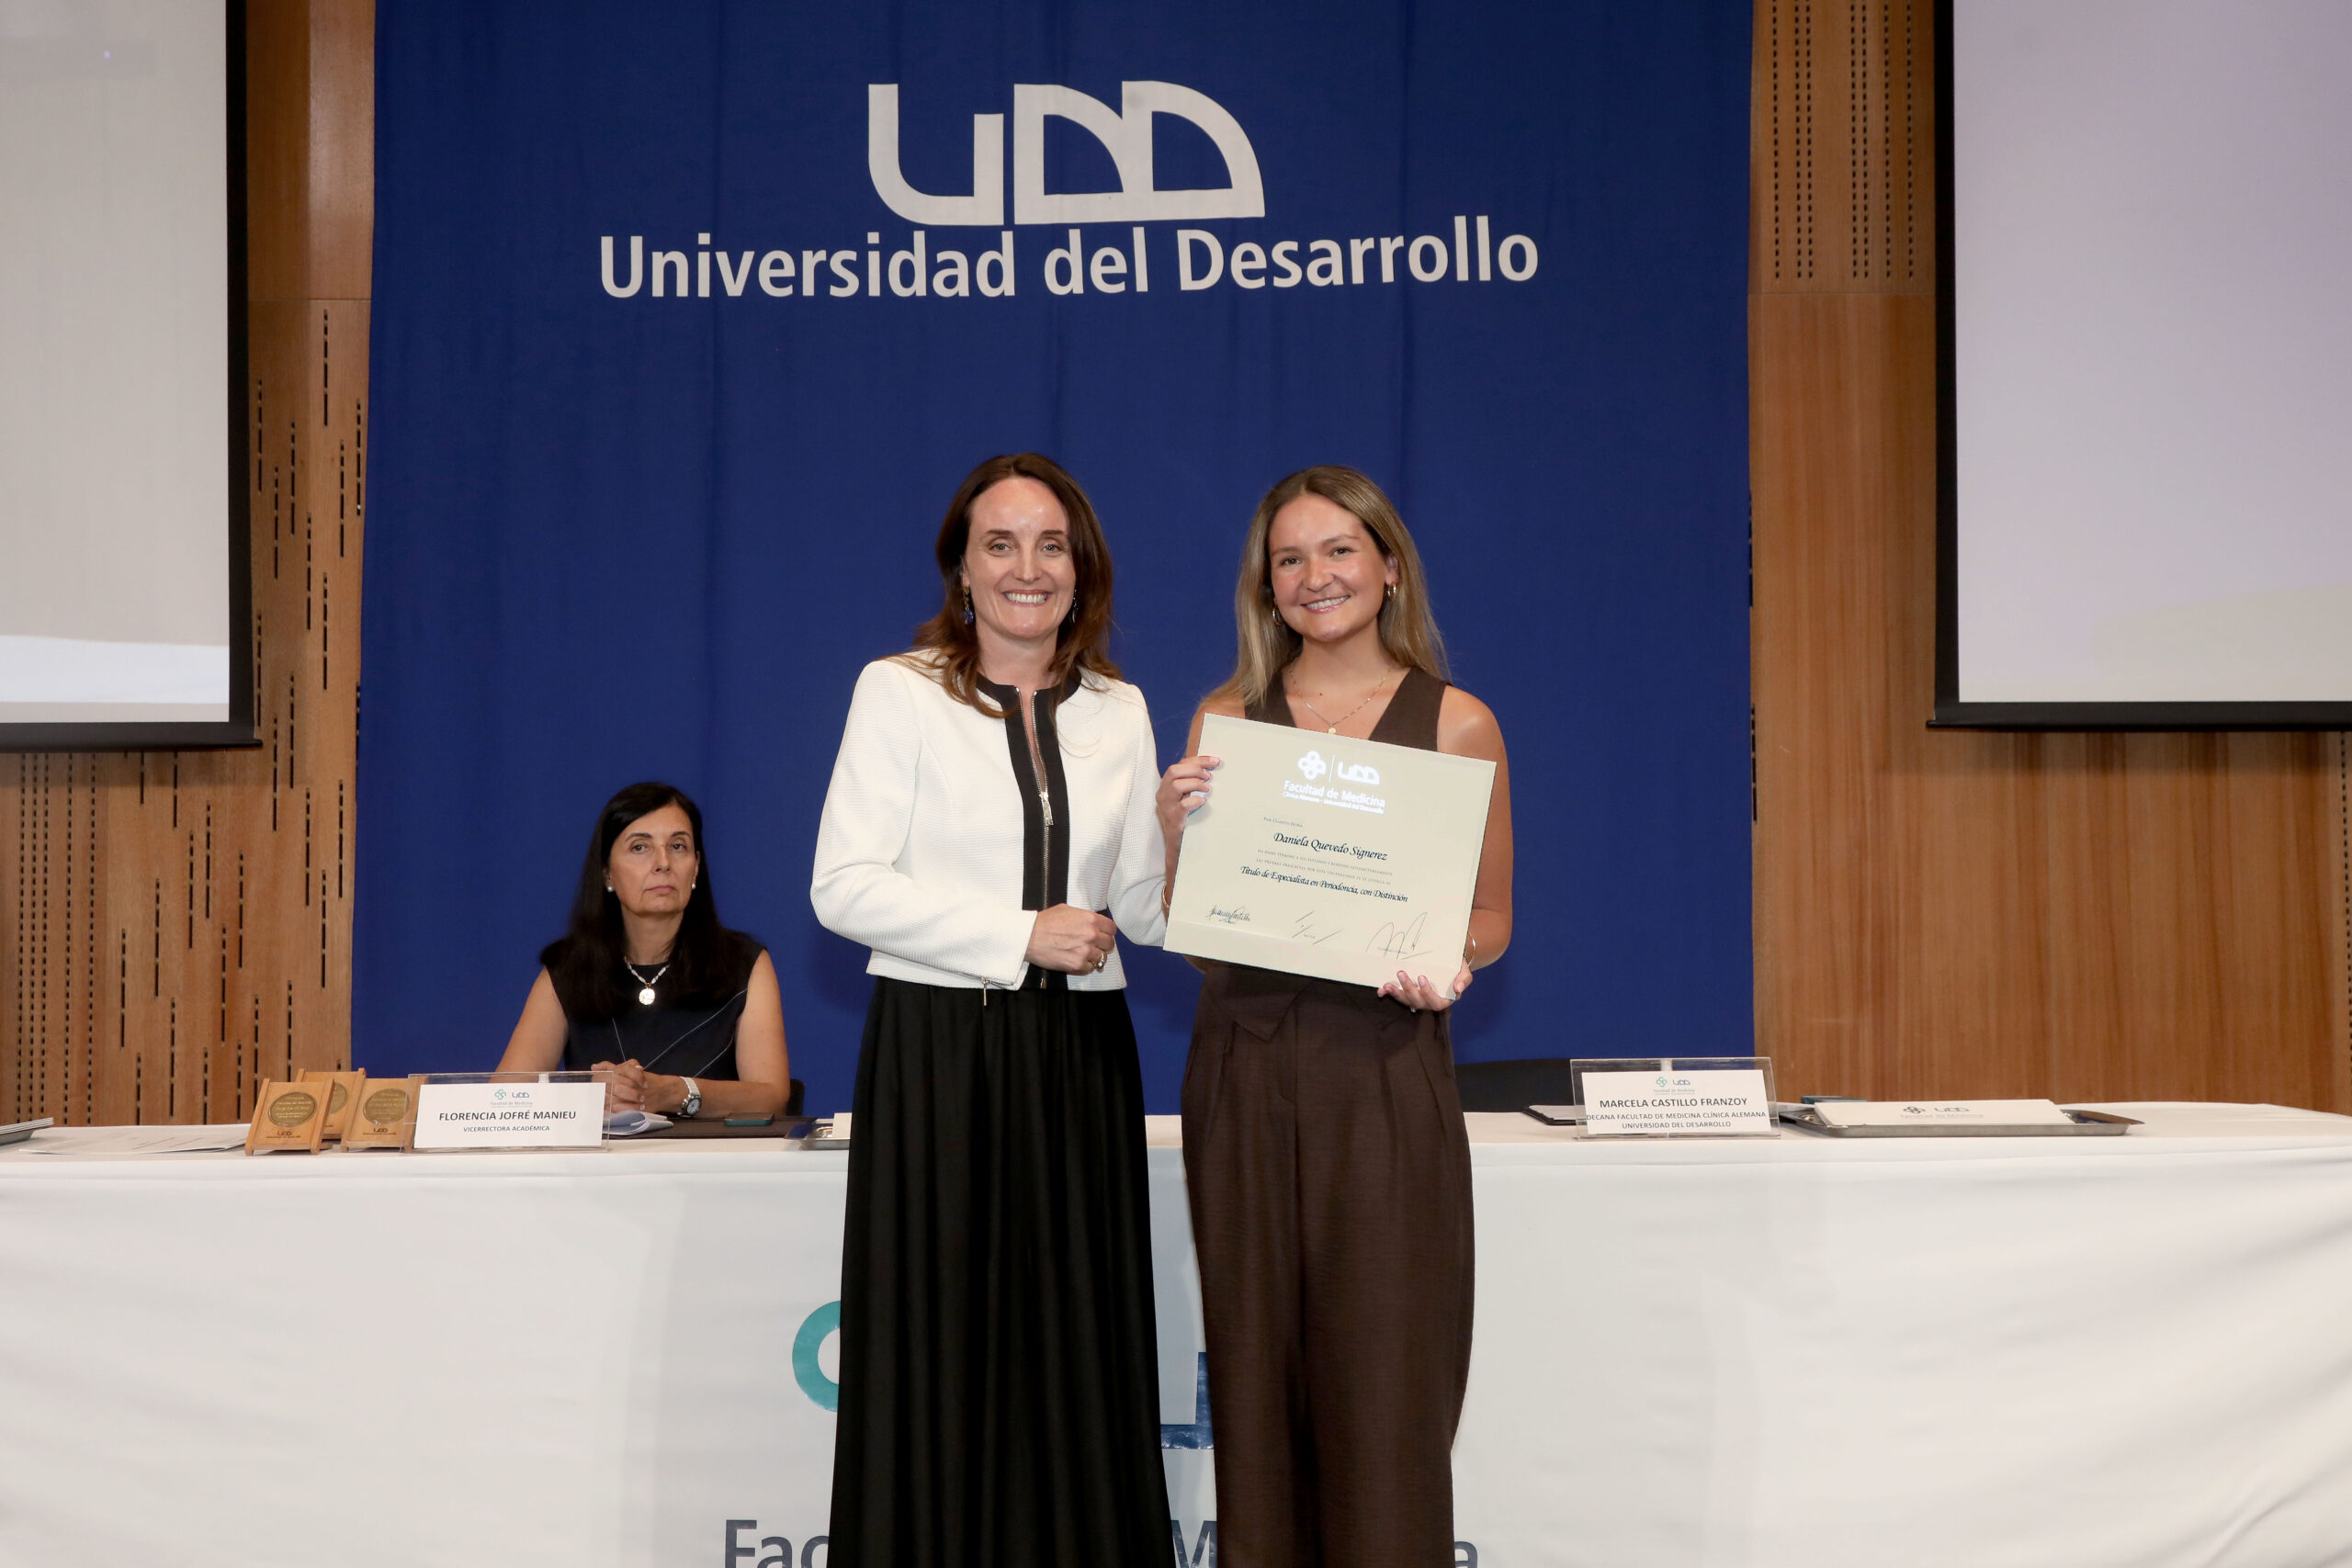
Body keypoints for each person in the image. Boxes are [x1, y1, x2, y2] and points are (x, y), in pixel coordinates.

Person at [811, 453, 1172, 1567]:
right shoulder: (899, 689)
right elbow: (842, 888)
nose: (1028, 567)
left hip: (1082, 1058)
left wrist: (1191, 837)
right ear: (961, 569)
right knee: (941, 1345)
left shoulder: (1122, 709)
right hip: (939, 1059)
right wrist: (1017, 936)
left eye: (1051, 545)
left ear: (1083, 568)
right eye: (1000, 544)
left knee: (1079, 1345)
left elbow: (1143, 912)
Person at [1156, 465, 1513, 1568]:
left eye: (1339, 550)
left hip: (1384, 1073)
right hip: (1244, 1073)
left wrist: (1446, 961)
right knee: (1255, 1386)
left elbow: (1490, 916)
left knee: (1387, 1383)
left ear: (1388, 567)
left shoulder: (1457, 723)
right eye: (1290, 559)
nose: (1316, 576)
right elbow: (1198, 928)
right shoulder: (1225, 721)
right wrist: (1174, 830)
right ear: (1265, 586)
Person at [499, 781, 791, 1121]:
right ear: (607, 872)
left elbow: (772, 1098)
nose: (663, 863)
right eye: (640, 847)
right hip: (601, 1156)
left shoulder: (744, 964)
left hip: (710, 1154)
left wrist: (676, 1092)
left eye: (678, 846)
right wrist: (585, 1093)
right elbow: (503, 1096)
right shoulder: (568, 969)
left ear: (696, 867)